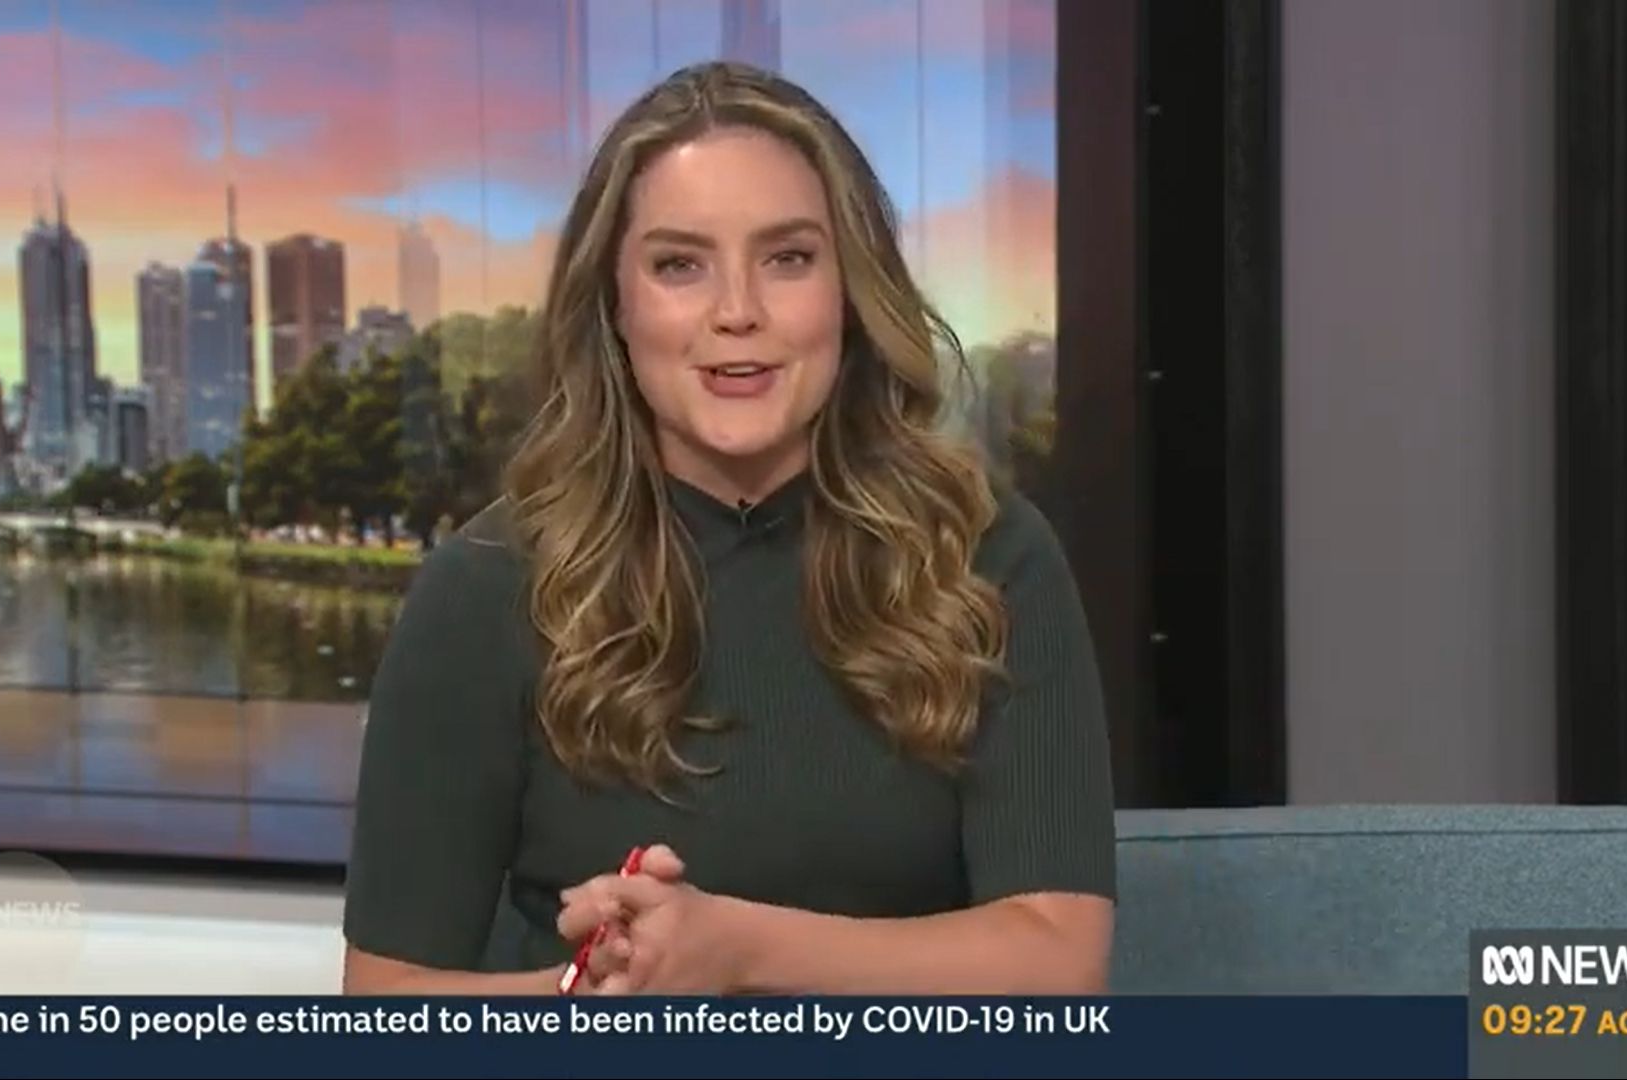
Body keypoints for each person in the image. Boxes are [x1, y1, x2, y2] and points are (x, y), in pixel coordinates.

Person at [341, 60, 1116, 996]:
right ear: (615, 304)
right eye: (680, 265)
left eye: (788, 258)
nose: (737, 312)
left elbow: (1057, 960)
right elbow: (387, 1005)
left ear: (850, 291)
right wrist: (603, 988)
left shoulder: (987, 555)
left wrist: (737, 950)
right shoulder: (485, 587)